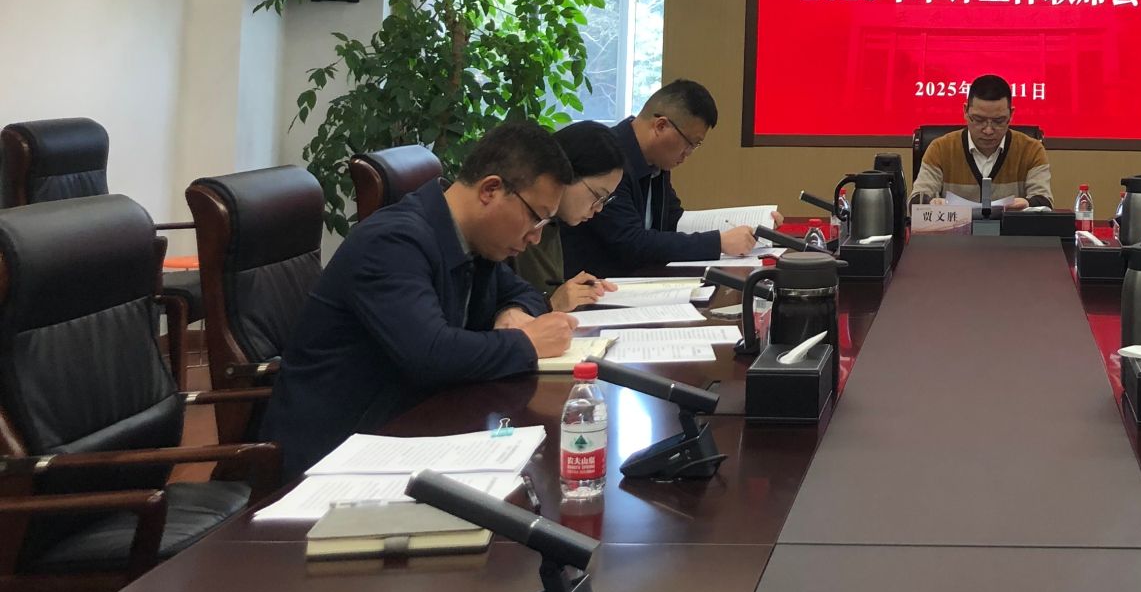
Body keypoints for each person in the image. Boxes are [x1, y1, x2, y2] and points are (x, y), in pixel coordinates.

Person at [265, 120, 580, 479]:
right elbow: (431, 355)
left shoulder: (474, 240)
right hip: (337, 456)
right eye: (536, 218)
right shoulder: (392, 243)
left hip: (412, 432)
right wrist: (527, 342)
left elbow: (522, 292)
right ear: (490, 190)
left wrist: (513, 311)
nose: (535, 238)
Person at [560, 79, 769, 277]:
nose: (688, 153)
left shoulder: (656, 163)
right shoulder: (609, 158)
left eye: (696, 146)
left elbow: (674, 220)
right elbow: (630, 241)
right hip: (598, 285)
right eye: (690, 143)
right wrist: (718, 242)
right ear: (661, 126)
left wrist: (755, 221)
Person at [515, 120, 627, 312]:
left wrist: (577, 292)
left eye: (605, 200)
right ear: (567, 172)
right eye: (598, 196)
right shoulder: (516, 222)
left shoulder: (554, 223)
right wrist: (551, 304)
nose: (599, 208)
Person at [910, 74, 1052, 210]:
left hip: (1010, 228)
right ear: (965, 111)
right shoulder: (940, 149)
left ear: (1011, 115)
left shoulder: (1031, 150)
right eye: (979, 120)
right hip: (955, 227)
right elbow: (916, 201)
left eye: (998, 121)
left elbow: (1045, 202)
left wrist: (1027, 204)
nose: (988, 130)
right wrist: (932, 204)